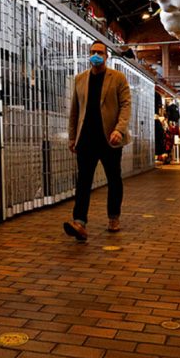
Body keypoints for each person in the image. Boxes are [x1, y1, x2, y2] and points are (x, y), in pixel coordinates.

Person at [64, 40, 131, 241]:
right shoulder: (80, 79)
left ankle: (113, 217)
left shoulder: (118, 78)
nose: (96, 55)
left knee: (114, 179)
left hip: (110, 137)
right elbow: (75, 111)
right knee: (83, 180)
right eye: (93, 52)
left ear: (106, 56)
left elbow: (126, 106)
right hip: (86, 138)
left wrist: (119, 129)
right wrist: (72, 136)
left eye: (100, 52)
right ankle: (79, 221)